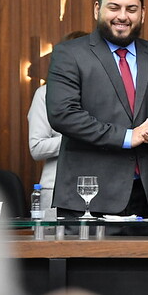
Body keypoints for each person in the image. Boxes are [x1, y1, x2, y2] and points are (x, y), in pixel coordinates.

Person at [46, 0, 148, 223]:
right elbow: (63, 115)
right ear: (98, 8)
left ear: (143, 13)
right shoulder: (69, 54)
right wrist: (129, 137)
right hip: (87, 195)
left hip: (146, 195)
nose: (122, 16)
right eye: (114, 7)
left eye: (131, 9)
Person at [27, 31, 89, 220]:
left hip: (96, 189)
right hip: (55, 188)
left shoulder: (104, 93)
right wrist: (82, 136)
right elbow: (36, 148)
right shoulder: (45, 94)